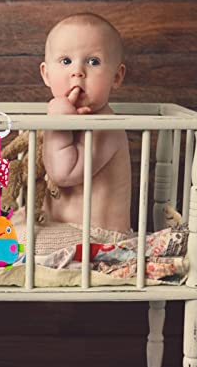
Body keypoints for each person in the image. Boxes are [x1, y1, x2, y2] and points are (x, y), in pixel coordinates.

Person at [40, 13, 131, 233]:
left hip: (96, 237)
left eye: (93, 61)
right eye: (66, 61)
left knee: (23, 237)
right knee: (10, 224)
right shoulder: (72, 115)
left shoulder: (106, 126)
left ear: (116, 77)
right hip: (60, 229)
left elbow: (63, 173)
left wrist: (58, 122)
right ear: (46, 75)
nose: (77, 72)